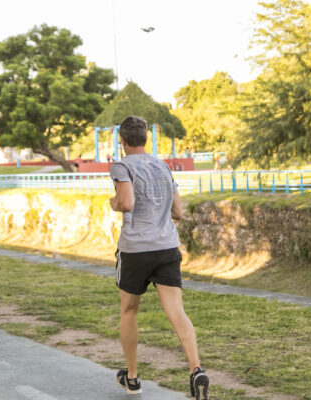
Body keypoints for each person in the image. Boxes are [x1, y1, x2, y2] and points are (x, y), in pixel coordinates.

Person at [109, 116, 209, 399]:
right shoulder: (163, 166)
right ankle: (196, 370)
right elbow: (179, 211)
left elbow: (126, 202)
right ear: (146, 140)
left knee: (129, 310)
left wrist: (114, 202)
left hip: (136, 250)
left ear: (123, 141)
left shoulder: (121, 166)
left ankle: (132, 378)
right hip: (167, 247)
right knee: (177, 311)